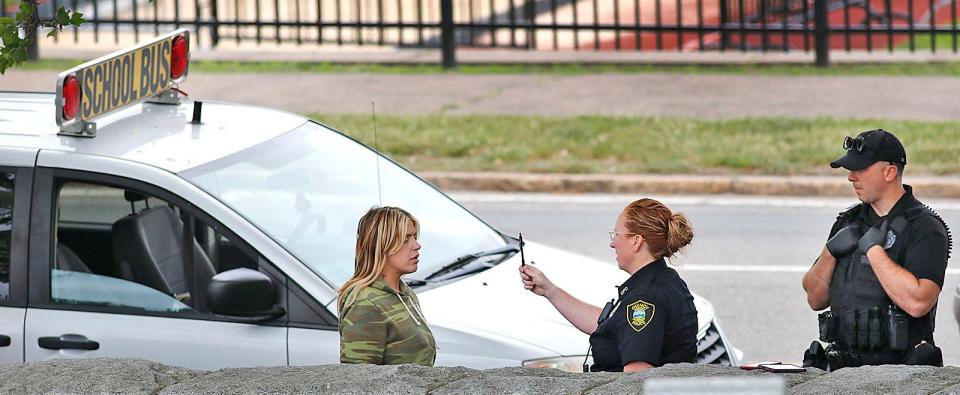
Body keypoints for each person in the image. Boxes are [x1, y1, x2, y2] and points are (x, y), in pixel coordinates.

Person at [801, 129, 952, 370]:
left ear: (889, 172)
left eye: (860, 169)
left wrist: (873, 251)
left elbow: (918, 302)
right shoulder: (847, 221)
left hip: (899, 375)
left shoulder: (925, 228)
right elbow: (815, 298)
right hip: (843, 370)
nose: (851, 177)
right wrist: (830, 252)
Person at [520, 198, 699, 372]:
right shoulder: (664, 279)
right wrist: (549, 290)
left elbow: (637, 377)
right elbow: (609, 323)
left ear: (636, 241)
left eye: (616, 234)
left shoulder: (644, 298)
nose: (612, 243)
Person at [338, 206, 436, 366]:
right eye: (406, 239)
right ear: (382, 245)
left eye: (415, 237)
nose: (417, 245)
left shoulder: (405, 292)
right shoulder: (365, 304)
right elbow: (357, 381)